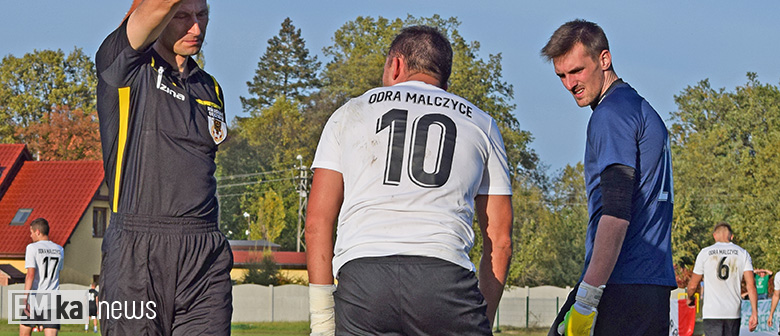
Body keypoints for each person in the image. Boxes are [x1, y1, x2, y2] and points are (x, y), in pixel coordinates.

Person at [95, 0, 254, 335]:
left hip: (203, 257)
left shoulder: (211, 89)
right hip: (136, 255)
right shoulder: (125, 66)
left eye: (203, 14)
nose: (196, 27)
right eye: (183, 16)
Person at [305, 26, 514, 336]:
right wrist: (482, 317)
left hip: (365, 280)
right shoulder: (481, 123)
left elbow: (317, 222)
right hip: (443, 277)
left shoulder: (349, 113)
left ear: (396, 65)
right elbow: (500, 240)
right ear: (445, 80)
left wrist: (322, 322)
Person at [540, 19, 676, 336]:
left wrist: (587, 299)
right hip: (652, 285)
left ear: (604, 59)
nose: (569, 83)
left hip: (619, 283)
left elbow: (616, 213)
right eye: (561, 75)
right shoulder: (641, 108)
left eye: (577, 71)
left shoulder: (610, 114)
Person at [686, 222, 758, 335]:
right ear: (732, 236)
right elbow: (751, 286)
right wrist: (754, 312)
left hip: (712, 312)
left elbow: (692, 285)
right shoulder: (743, 253)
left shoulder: (705, 253)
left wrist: (690, 298)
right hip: (733, 312)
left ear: (714, 236)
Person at [20, 218, 64, 336]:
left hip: (36, 297)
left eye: (31, 232)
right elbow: (57, 274)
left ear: (38, 232)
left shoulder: (32, 248)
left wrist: (25, 298)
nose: (30, 235)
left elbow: (30, 275)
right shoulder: (60, 249)